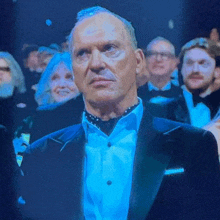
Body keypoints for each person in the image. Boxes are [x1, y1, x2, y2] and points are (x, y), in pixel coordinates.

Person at [18, 6, 220, 220]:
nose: (96, 63)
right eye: (82, 53)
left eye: (109, 48)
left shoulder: (194, 144)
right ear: (74, 70)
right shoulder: (40, 154)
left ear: (139, 61)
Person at [14, 52, 84, 162]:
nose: (61, 84)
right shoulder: (33, 121)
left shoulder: (88, 120)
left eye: (70, 78)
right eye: (55, 78)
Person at [168, 38, 220, 127]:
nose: (195, 70)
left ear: (217, 71)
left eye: (203, 63)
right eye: (189, 63)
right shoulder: (165, 108)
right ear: (181, 69)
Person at [138, 37, 181, 104]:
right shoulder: (134, 95)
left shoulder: (183, 95)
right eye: (152, 54)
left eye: (164, 55)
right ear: (145, 60)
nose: (158, 59)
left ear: (174, 62)